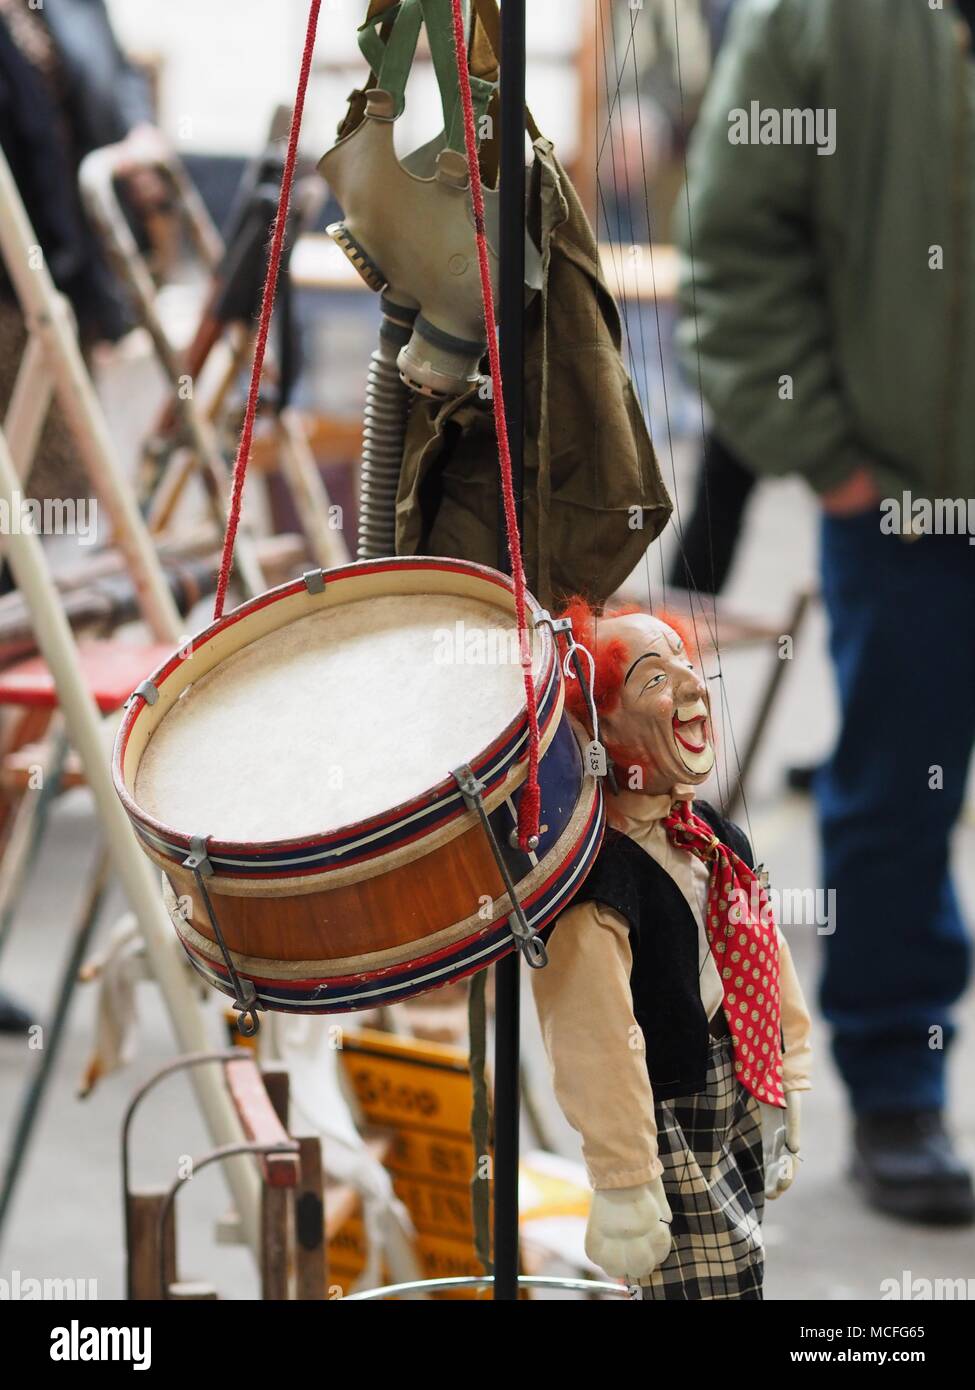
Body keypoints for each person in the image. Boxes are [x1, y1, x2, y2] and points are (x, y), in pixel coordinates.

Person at [675, 0, 975, 1223]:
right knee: (899, 789)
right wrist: (832, 456)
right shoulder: (828, 18)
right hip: (908, 495)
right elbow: (733, 244)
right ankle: (898, 1084)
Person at [532, 602, 812, 1298]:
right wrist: (624, 1178)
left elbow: (764, 956)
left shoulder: (713, 836)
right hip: (667, 1112)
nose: (691, 683)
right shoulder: (598, 884)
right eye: (654, 678)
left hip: (738, 1080)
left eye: (685, 662)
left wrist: (782, 1076)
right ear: (600, 729)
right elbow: (594, 1036)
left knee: (743, 1268)